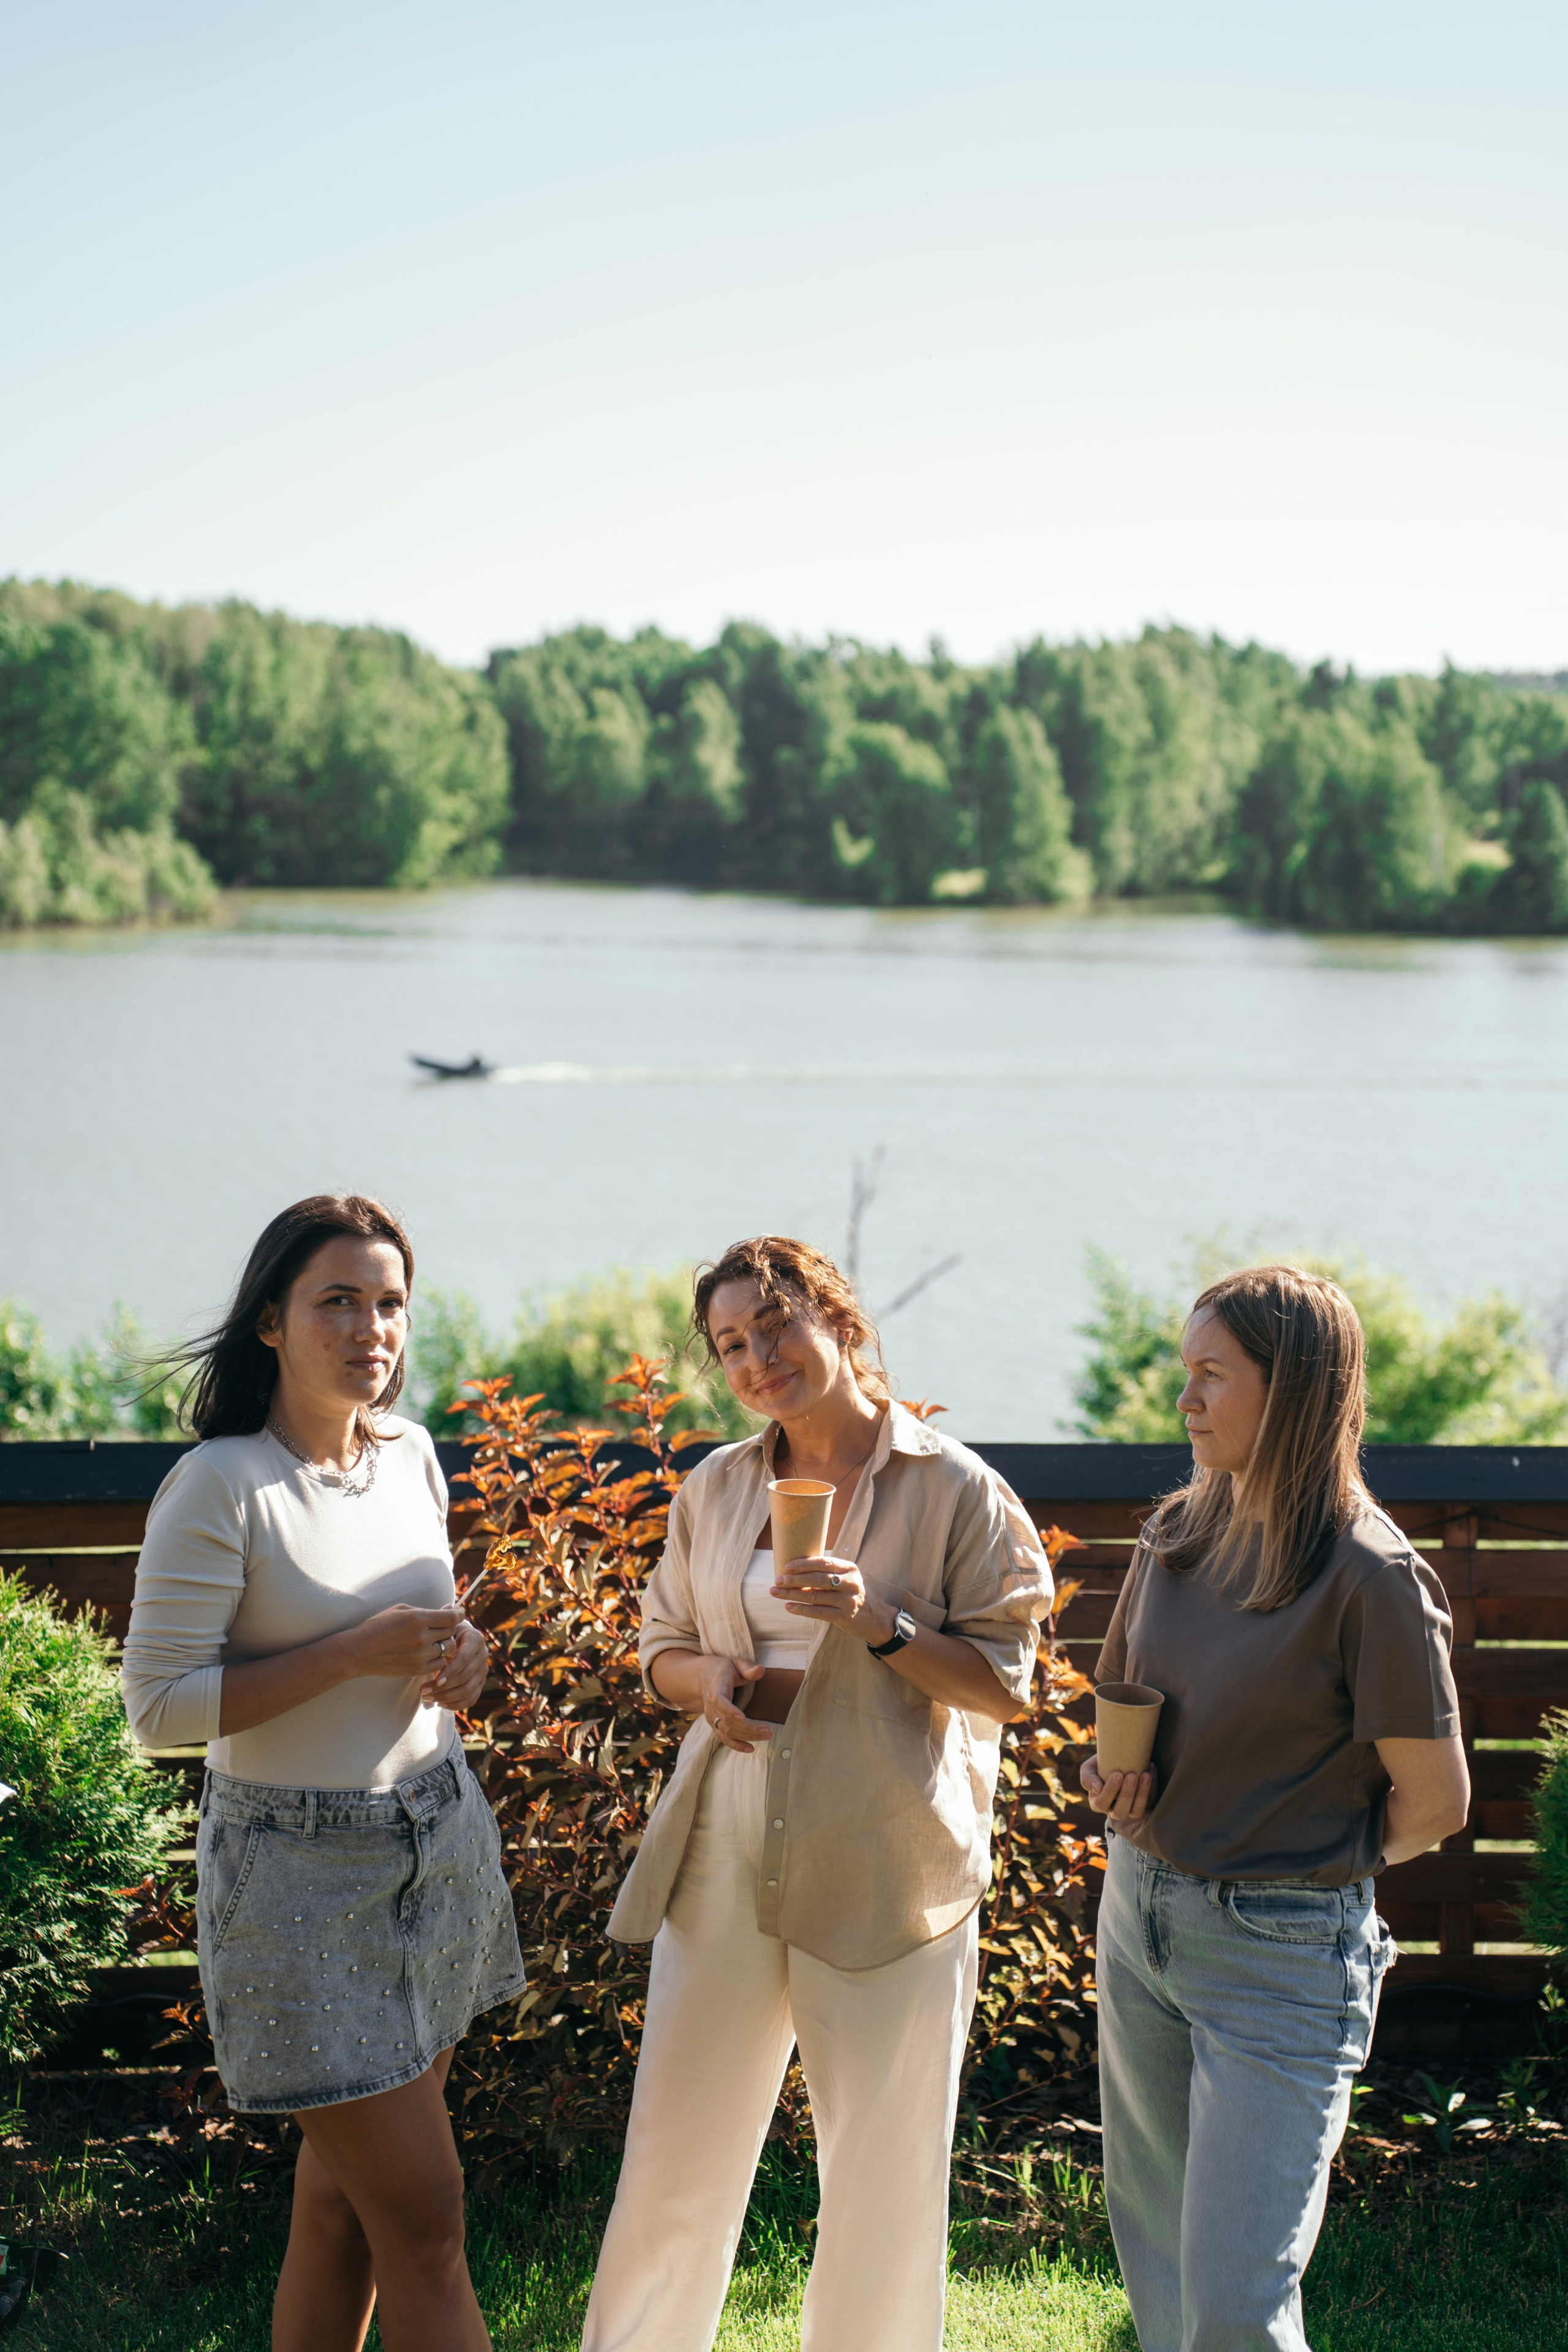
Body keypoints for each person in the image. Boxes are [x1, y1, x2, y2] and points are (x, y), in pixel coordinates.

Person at [581, 1234, 1054, 2352]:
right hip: (724, 1841)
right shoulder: (719, 1485)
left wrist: (877, 1619)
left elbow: (1008, 1689)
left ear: (841, 1320)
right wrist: (709, 1683)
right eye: (733, 1344)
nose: (758, 1358)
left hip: (886, 1849)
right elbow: (659, 1645)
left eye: (777, 1325)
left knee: (882, 2180)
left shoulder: (954, 1489)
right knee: (674, 2159)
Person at [121, 1194, 524, 2352]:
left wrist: (468, 1661)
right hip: (296, 1877)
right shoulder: (224, 1484)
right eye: (336, 1301)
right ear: (271, 1323)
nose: (371, 1329)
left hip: (438, 1837)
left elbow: (436, 1651)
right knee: (429, 2223)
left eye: (389, 1302)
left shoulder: (411, 1456)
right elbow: (158, 1713)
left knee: (344, 2203)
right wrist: (350, 1654)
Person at [1084, 1264, 1469, 2352]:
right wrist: (1112, 1787)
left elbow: (1435, 1804)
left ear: (1293, 1389)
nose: (1184, 1400)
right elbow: (1127, 1714)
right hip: (1142, 1912)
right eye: (1185, 1374)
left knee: (1235, 2307)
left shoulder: (1370, 1577)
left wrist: (1302, 1855)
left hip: (1283, 1951)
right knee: (1159, 2271)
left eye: (1212, 1376)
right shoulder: (1177, 1535)